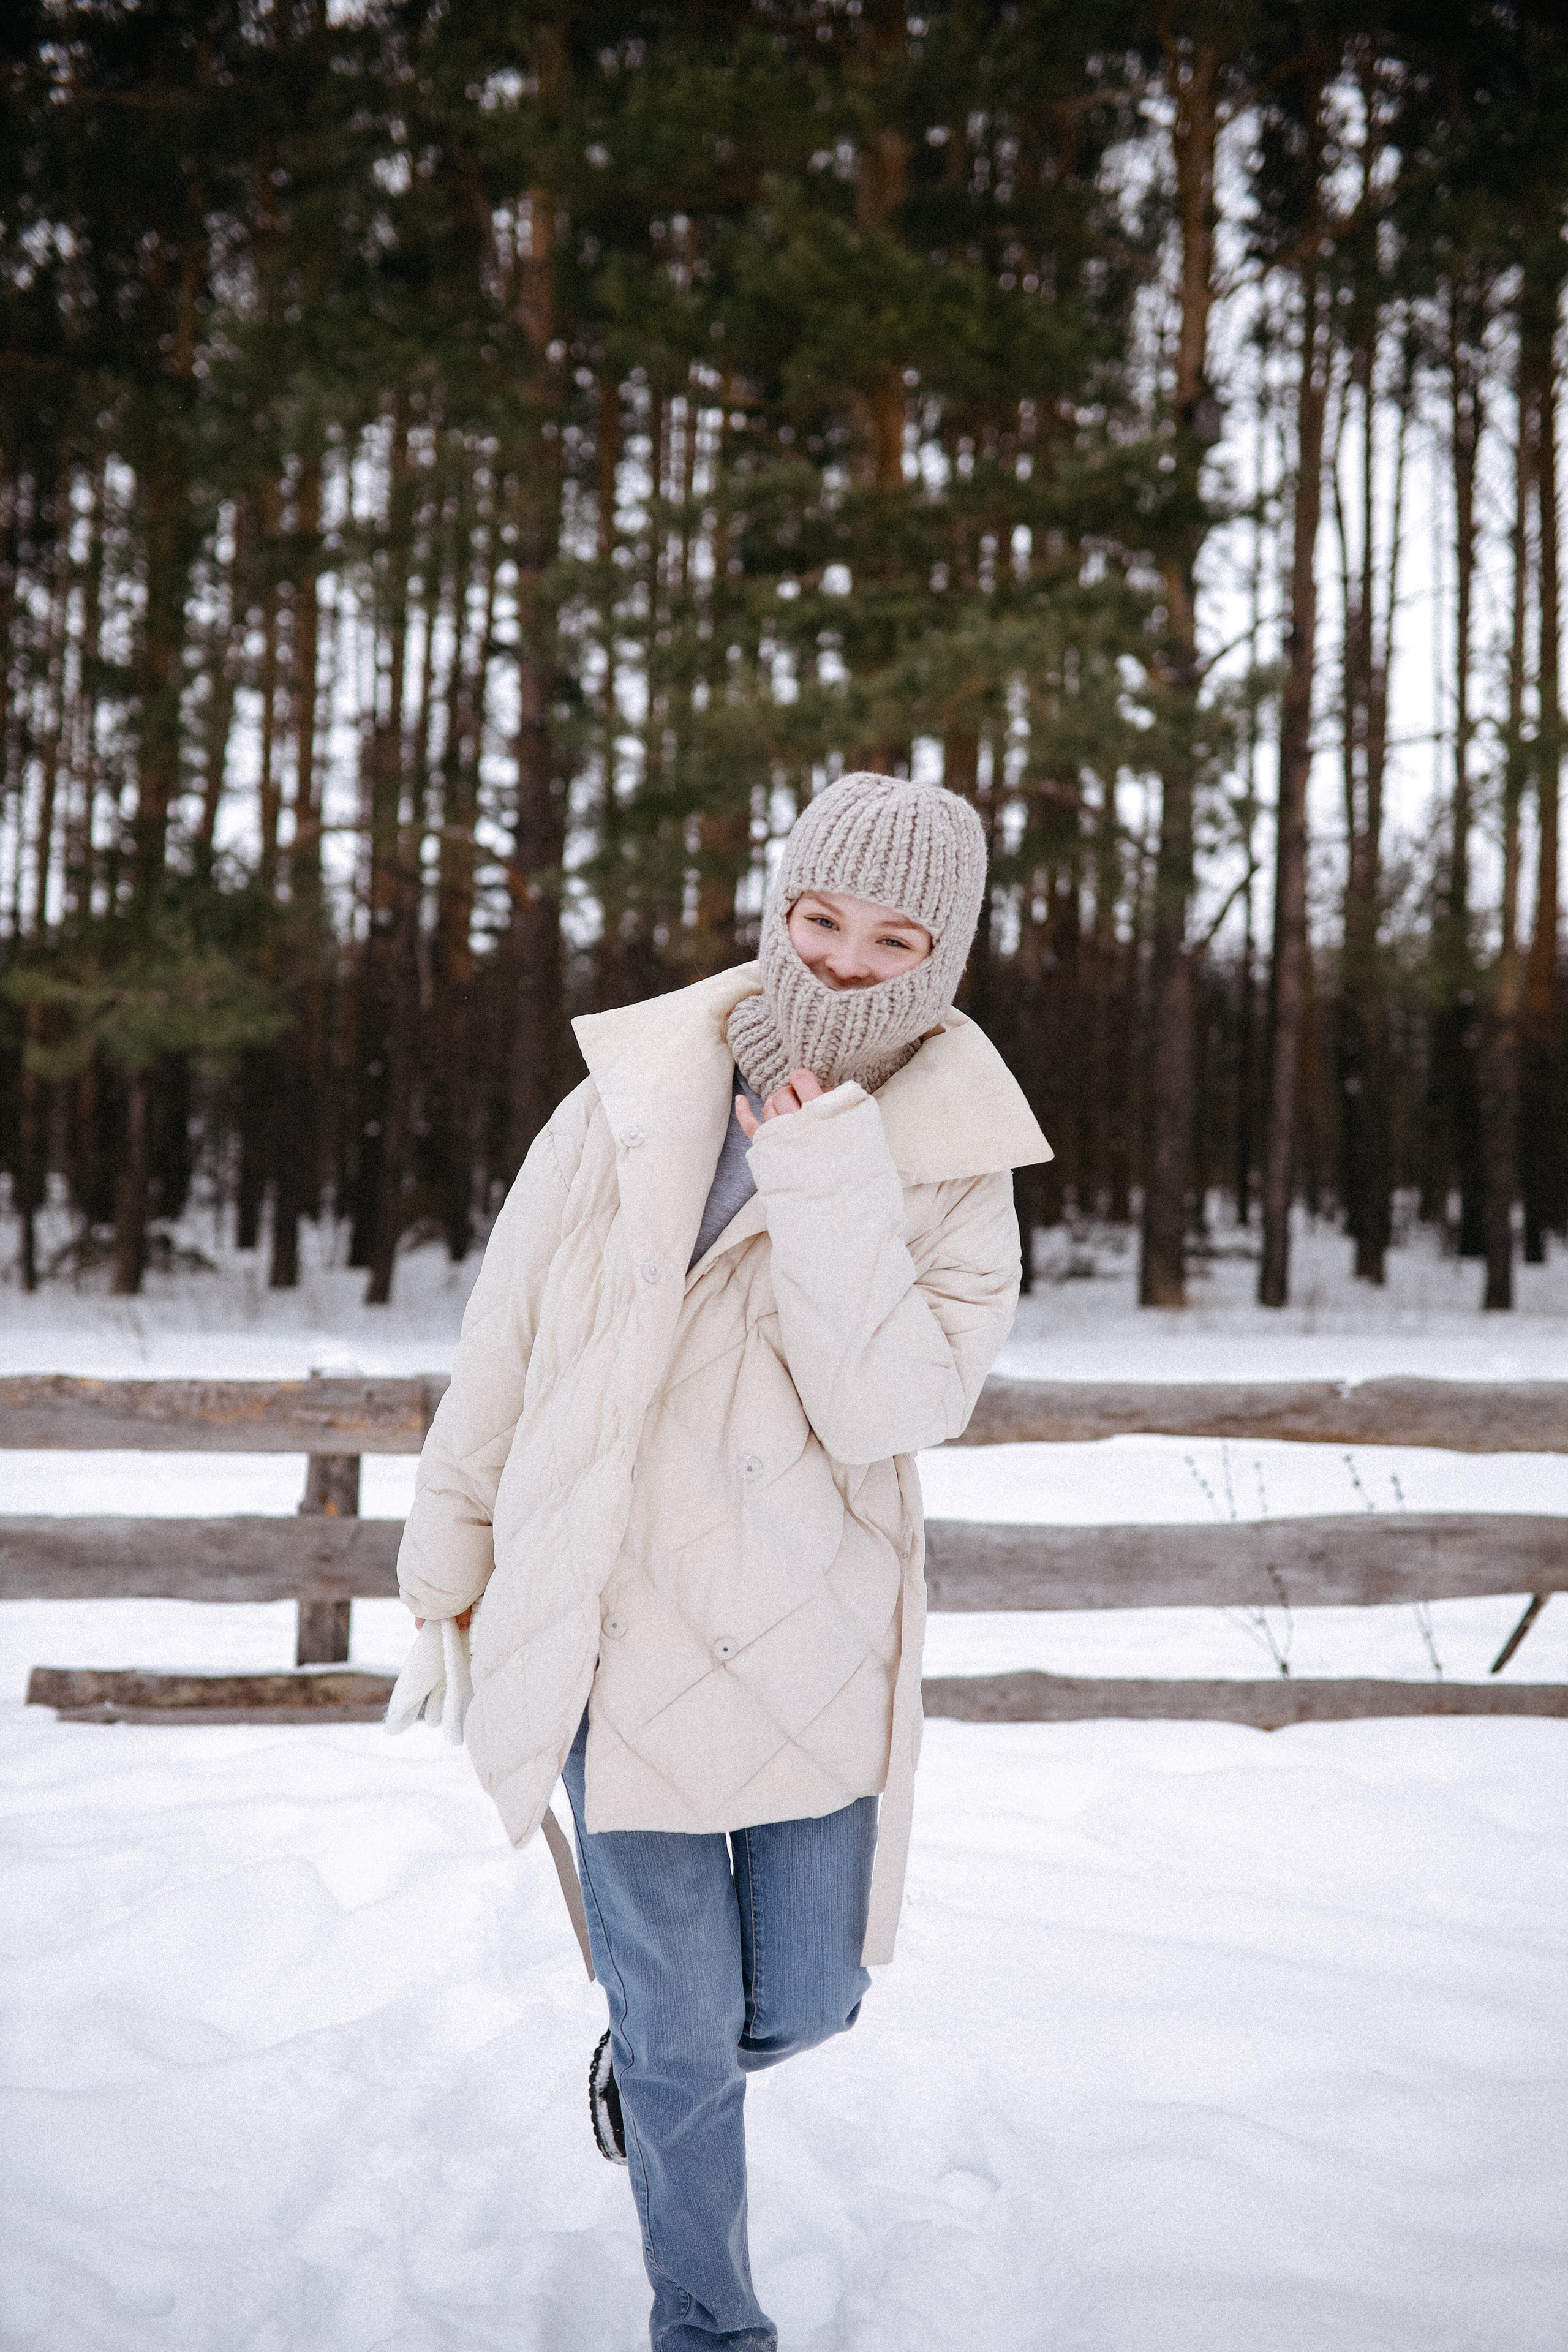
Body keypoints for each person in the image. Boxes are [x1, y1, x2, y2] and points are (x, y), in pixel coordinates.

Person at [393, 771, 1051, 2351]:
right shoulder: (630, 1091)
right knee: (689, 2046)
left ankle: (658, 2043)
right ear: (779, 907)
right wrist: (448, 1554)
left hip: (807, 1640)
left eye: (890, 939)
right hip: (610, 1620)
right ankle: (708, 2321)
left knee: (805, 2007)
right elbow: (509, 1338)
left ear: (943, 960)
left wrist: (828, 1179)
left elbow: (896, 1403)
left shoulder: (961, 1157)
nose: (836, 965)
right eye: (816, 919)